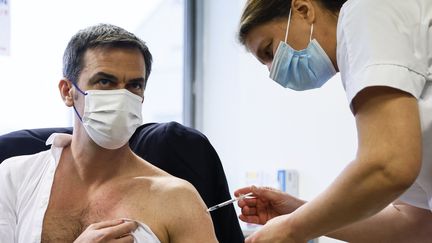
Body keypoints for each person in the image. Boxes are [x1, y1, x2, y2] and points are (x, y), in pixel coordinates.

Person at [234, 0, 432, 242]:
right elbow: (415, 223)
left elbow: (388, 165)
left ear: (303, 9)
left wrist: (291, 229)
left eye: (268, 50)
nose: (273, 71)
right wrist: (297, 211)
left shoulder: (364, 9)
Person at [0, 23, 218, 243]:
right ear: (68, 92)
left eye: (134, 85)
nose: (122, 97)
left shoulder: (178, 199)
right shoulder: (14, 178)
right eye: (105, 81)